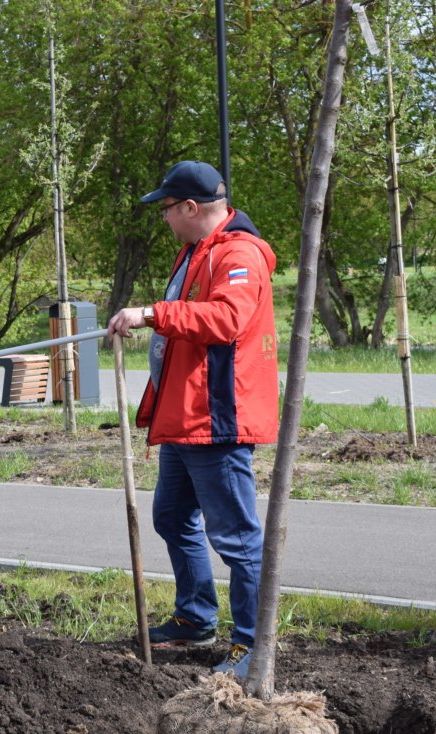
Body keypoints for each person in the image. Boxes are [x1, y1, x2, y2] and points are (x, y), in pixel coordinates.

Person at [107, 161, 279, 679]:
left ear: (190, 207)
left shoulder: (238, 254)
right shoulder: (195, 252)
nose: (163, 219)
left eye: (166, 209)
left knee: (237, 538)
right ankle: (195, 616)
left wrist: (154, 314)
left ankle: (250, 646)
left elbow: (227, 320)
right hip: (184, 416)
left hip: (216, 419)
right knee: (172, 516)